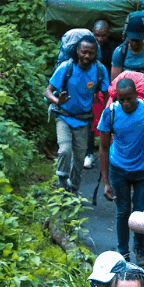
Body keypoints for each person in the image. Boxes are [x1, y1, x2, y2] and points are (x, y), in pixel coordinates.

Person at [99, 78, 144, 267]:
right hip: (119, 168)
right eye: (122, 99)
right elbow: (103, 147)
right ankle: (123, 251)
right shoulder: (110, 113)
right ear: (117, 97)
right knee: (122, 211)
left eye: (129, 98)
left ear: (136, 94)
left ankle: (140, 247)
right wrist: (106, 181)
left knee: (141, 212)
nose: (126, 103)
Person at [46, 36, 110, 195]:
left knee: (80, 159)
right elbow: (47, 91)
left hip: (83, 120)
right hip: (63, 116)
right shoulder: (66, 68)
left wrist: (107, 114)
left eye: (91, 53)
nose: (87, 56)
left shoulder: (99, 70)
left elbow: (107, 94)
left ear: (96, 53)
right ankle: (62, 186)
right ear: (77, 51)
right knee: (65, 150)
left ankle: (73, 190)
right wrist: (56, 100)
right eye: (84, 52)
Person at [84, 20, 119, 171]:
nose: (99, 39)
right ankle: (88, 152)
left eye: (103, 36)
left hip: (108, 87)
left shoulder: (114, 47)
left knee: (111, 117)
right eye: (96, 35)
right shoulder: (86, 46)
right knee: (90, 119)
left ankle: (112, 153)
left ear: (108, 34)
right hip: (91, 87)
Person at [110, 19, 144, 87]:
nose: (135, 43)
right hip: (125, 90)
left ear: (143, 38)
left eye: (137, 40)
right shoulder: (119, 52)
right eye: (132, 40)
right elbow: (115, 82)